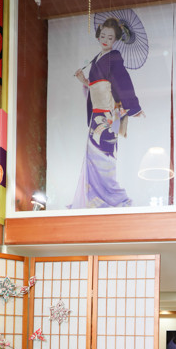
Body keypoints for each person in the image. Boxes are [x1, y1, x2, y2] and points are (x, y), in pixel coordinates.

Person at [69, 18, 144, 209]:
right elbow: (96, 87)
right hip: (97, 115)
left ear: (115, 40)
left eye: (110, 38)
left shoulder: (114, 57)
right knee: (92, 157)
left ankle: (113, 198)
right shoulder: (97, 59)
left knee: (104, 157)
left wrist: (133, 107)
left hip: (108, 115)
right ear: (98, 36)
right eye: (103, 36)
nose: (105, 40)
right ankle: (93, 197)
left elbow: (123, 81)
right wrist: (83, 80)